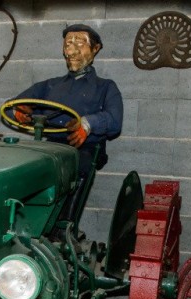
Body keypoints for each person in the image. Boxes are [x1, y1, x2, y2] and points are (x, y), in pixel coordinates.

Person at [13, 23, 123, 227]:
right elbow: (17, 103)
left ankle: (62, 227)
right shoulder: (50, 85)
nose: (71, 51)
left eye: (79, 43)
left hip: (83, 148)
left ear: (95, 49)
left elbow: (115, 120)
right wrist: (20, 109)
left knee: (76, 168)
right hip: (50, 144)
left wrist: (88, 124)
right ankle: (20, 222)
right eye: (67, 44)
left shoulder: (106, 87)